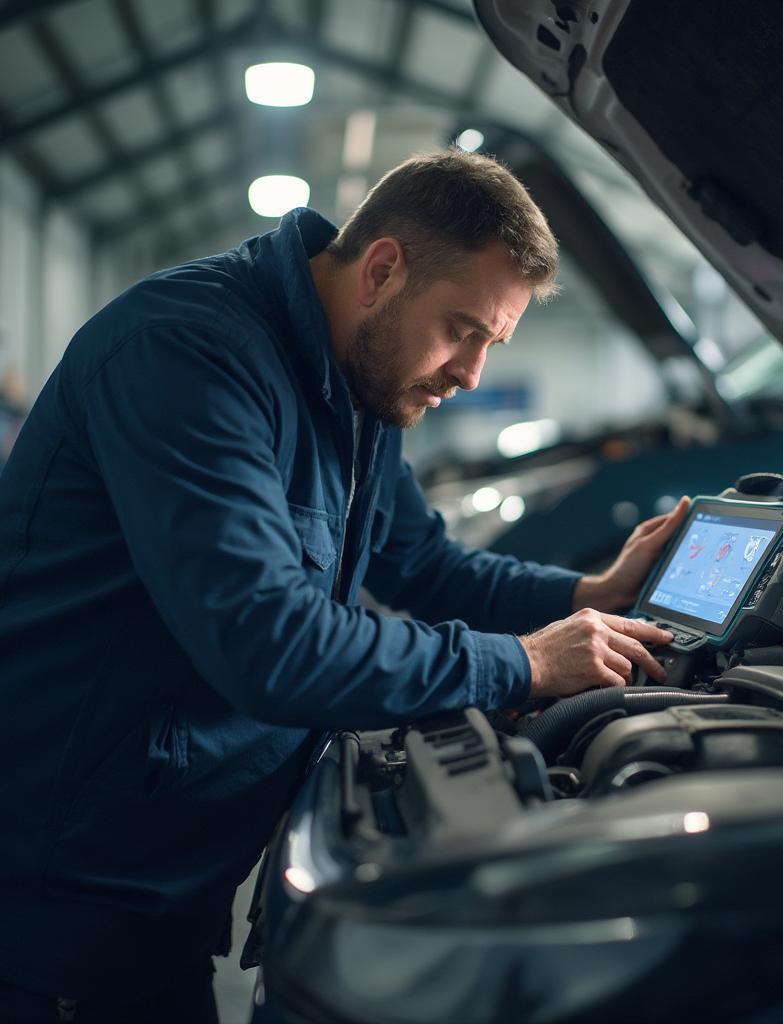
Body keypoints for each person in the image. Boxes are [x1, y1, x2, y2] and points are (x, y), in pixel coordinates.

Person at [0, 149, 689, 1022]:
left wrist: (586, 593)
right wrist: (518, 665)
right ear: (384, 270)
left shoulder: (358, 381)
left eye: (492, 343)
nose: (472, 372)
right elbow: (271, 645)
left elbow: (425, 564)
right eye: (465, 329)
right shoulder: (187, 353)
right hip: (63, 898)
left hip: (162, 883)